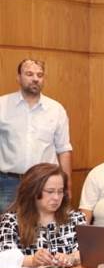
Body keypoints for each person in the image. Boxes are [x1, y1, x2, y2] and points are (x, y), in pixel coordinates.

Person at [0, 59, 73, 210]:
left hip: (46, 183)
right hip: (9, 183)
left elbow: (64, 149)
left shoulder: (56, 109)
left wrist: (66, 184)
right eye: (29, 74)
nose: (35, 79)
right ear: (18, 77)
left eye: (39, 75)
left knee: (44, 222)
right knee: (8, 223)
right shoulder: (2, 105)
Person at [0, 163, 85, 268]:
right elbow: (5, 257)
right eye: (50, 191)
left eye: (60, 191)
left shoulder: (75, 218)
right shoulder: (11, 221)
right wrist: (32, 260)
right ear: (33, 191)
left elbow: (87, 251)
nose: (56, 197)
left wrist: (71, 258)